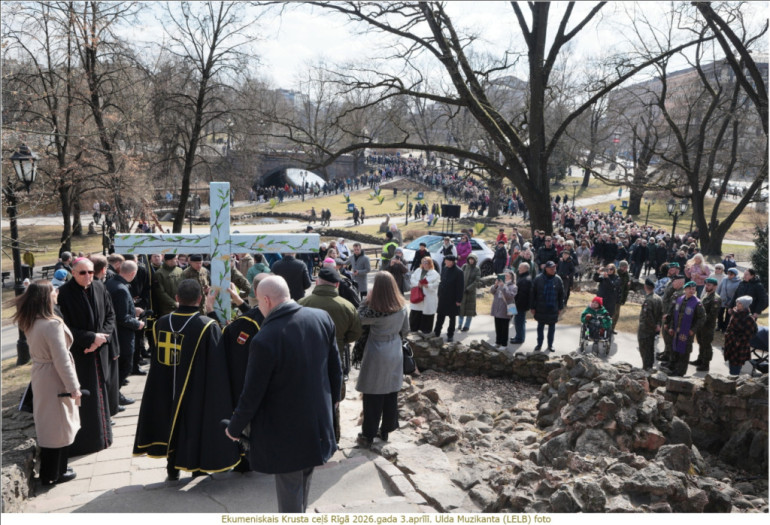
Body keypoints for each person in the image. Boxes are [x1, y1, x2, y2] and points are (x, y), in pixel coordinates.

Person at [225, 276, 342, 513]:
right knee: (304, 478)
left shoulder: (265, 338)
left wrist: (234, 427)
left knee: (290, 490)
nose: (258, 308)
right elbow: (335, 370)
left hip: (286, 430)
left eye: (258, 303)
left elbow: (252, 393)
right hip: (317, 421)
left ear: (266, 300)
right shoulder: (321, 318)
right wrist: (333, 405)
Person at [133, 279, 240, 480]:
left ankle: (172, 467)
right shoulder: (207, 325)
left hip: (165, 386)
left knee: (169, 421)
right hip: (195, 387)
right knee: (194, 425)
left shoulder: (161, 322)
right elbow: (217, 363)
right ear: (200, 299)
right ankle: (196, 467)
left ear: (176, 298)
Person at [13, 281, 81, 486]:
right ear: (46, 297)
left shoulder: (30, 320)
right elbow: (60, 358)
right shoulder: (51, 324)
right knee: (59, 426)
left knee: (51, 425)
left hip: (42, 375)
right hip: (54, 377)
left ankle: (55, 469)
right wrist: (73, 387)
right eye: (53, 290)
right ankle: (53, 473)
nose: (57, 292)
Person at [56, 258, 114, 457]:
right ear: (73, 273)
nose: (88, 276)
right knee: (86, 399)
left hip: (98, 350)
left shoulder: (99, 286)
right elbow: (62, 327)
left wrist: (101, 339)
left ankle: (104, 437)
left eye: (90, 272)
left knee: (101, 392)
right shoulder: (63, 294)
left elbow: (110, 316)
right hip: (80, 353)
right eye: (82, 273)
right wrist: (89, 339)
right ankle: (87, 443)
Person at [299, 267, 363, 443]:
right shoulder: (347, 306)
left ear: (317, 281)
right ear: (336, 284)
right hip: (337, 358)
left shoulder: (302, 303)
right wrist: (341, 341)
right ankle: (333, 437)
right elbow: (356, 333)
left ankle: (310, 436)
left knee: (308, 397)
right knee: (334, 399)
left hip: (307, 359)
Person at [354, 272, 410, 448]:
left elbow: (357, 318)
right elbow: (406, 330)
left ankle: (368, 434)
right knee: (391, 392)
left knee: (373, 394)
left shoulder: (374, 311)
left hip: (377, 352)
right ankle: (386, 429)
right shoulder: (402, 307)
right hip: (395, 349)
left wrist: (365, 300)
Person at [105, 260, 144, 404]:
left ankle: (115, 396)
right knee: (124, 366)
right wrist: (137, 323)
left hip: (117, 334)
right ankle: (114, 398)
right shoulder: (121, 288)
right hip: (122, 335)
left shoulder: (112, 283)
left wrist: (134, 310)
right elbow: (121, 317)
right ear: (133, 273)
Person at [663, 281, 706, 377]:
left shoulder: (697, 303)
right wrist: (671, 327)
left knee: (684, 352)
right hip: (676, 330)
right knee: (675, 349)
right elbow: (674, 315)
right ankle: (674, 368)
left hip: (687, 332)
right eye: (690, 289)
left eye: (694, 289)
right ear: (685, 289)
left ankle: (681, 371)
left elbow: (702, 318)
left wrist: (693, 330)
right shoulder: (680, 299)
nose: (692, 291)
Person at [529, 261, 565, 352]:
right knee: (540, 327)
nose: (554, 270)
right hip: (540, 308)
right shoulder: (538, 279)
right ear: (546, 269)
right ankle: (539, 344)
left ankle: (550, 345)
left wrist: (560, 307)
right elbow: (533, 294)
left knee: (552, 328)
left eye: (554, 268)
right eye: (551, 268)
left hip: (553, 308)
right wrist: (532, 307)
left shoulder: (558, 279)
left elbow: (561, 295)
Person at [690, 277, 721, 372]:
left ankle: (705, 364)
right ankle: (700, 359)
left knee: (706, 345)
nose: (707, 286)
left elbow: (712, 316)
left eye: (709, 285)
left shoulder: (716, 299)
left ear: (715, 286)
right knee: (700, 343)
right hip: (701, 325)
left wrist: (701, 321)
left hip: (707, 326)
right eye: (706, 284)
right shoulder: (705, 295)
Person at [723, 296, 758, 375]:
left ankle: (733, 383)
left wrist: (737, 341)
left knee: (735, 368)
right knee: (731, 365)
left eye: (740, 303)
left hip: (739, 346)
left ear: (744, 305)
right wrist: (727, 335)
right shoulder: (735, 313)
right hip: (730, 342)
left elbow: (749, 334)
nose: (737, 304)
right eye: (737, 302)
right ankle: (731, 381)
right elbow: (730, 326)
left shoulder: (749, 318)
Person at [433, 254, 464, 342]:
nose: (445, 262)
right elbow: (441, 282)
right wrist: (439, 294)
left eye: (447, 261)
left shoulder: (459, 272)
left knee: (452, 318)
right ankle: (436, 332)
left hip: (453, 298)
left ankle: (450, 334)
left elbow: (460, 287)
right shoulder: (445, 268)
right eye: (445, 260)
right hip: (443, 297)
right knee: (440, 316)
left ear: (452, 262)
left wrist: (459, 300)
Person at [408, 256, 440, 336]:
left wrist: (428, 285)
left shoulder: (434, 273)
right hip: (418, 294)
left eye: (426, 262)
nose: (424, 264)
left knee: (427, 313)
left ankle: (426, 330)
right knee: (415, 312)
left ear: (430, 263)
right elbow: (412, 279)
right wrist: (417, 284)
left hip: (428, 296)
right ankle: (414, 328)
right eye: (423, 262)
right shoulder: (418, 270)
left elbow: (437, 284)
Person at [637, 278, 663, 370]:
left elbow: (647, 316)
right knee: (650, 348)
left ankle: (646, 367)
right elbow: (661, 314)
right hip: (653, 329)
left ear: (645, 287)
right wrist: (658, 325)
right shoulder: (658, 298)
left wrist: (654, 326)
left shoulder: (648, 300)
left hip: (645, 329)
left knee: (644, 349)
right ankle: (649, 366)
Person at [490, 270, 517, 349]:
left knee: (504, 327)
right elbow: (492, 291)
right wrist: (495, 285)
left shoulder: (513, 286)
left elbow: (509, 296)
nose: (505, 277)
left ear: (511, 278)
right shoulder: (499, 284)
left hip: (506, 308)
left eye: (507, 276)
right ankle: (498, 342)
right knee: (497, 326)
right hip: (497, 307)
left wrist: (503, 286)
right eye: (504, 275)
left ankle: (504, 344)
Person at [593, 264, 621, 335]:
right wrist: (597, 272)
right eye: (607, 269)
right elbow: (595, 279)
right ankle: (596, 329)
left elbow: (612, 286)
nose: (609, 270)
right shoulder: (603, 276)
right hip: (600, 299)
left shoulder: (617, 278)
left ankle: (605, 331)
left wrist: (607, 278)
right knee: (597, 315)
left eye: (611, 269)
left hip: (610, 301)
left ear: (614, 270)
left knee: (607, 317)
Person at [152, 254, 183, 318]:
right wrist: (174, 303)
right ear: (169, 260)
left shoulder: (180, 270)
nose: (177, 260)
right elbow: (160, 292)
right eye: (175, 259)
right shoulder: (159, 273)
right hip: (166, 308)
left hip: (181, 305)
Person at [457, 254, 481, 332]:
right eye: (470, 259)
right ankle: (460, 324)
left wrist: (469, 288)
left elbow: (477, 281)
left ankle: (466, 326)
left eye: (472, 259)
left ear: (475, 260)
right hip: (462, 292)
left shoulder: (477, 269)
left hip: (471, 292)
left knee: (469, 311)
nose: (471, 261)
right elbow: (459, 276)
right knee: (461, 309)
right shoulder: (464, 266)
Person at [510, 262, 532, 345]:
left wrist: (517, 305)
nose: (518, 268)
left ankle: (520, 338)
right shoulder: (523, 277)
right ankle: (518, 336)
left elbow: (523, 295)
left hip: (520, 305)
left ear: (525, 269)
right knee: (518, 321)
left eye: (520, 267)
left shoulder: (526, 280)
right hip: (519, 304)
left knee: (519, 322)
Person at [716, 267, 741, 332]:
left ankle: (725, 328)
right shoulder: (724, 279)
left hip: (731, 301)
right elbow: (719, 288)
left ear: (735, 275)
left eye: (731, 274)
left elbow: (738, 293)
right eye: (728, 274)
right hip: (722, 300)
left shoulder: (739, 282)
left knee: (728, 315)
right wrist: (717, 296)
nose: (729, 275)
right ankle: (719, 326)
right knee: (720, 314)